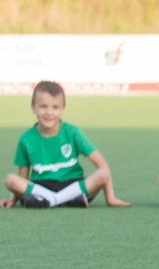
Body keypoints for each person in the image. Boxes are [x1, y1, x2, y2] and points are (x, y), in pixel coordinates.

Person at [2, 80, 129, 208]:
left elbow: (102, 165)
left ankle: (49, 201)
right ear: (33, 107)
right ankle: (67, 200)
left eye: (55, 107)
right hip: (41, 186)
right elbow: (22, 178)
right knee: (10, 180)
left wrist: (110, 199)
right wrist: (13, 200)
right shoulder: (26, 139)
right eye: (43, 106)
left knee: (103, 174)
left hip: (73, 185)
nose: (49, 112)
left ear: (63, 109)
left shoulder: (72, 132)